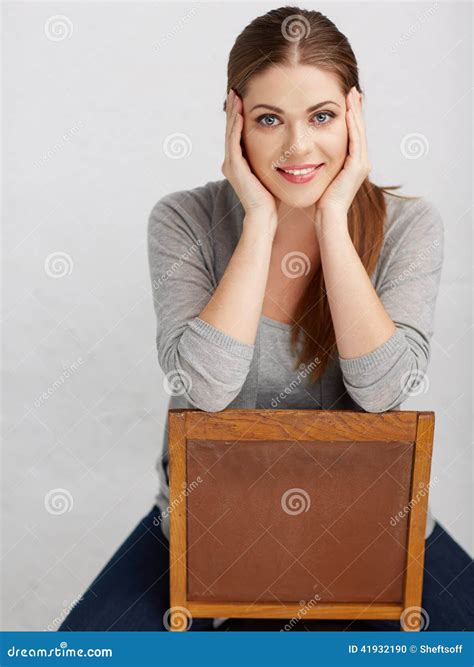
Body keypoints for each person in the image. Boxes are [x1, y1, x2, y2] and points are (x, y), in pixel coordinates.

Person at [58, 6, 473, 632]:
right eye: (269, 119)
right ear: (235, 121)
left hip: (367, 525)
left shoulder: (412, 226)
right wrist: (259, 220)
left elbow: (384, 391)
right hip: (206, 520)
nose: (298, 147)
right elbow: (206, 389)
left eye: (323, 117)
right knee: (78, 650)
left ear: (355, 115)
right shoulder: (184, 220)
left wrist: (334, 220)